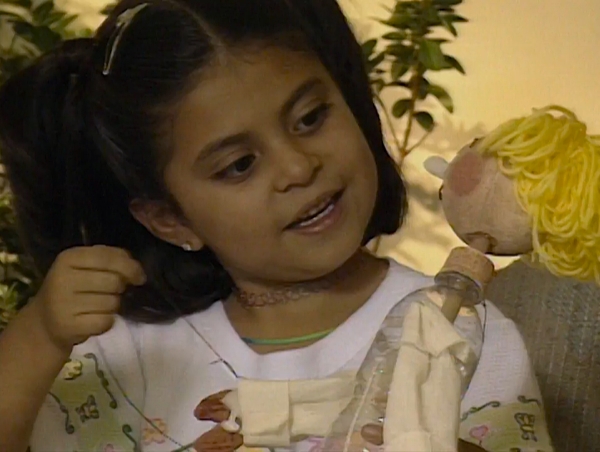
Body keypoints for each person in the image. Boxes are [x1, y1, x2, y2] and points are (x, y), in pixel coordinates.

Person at [0, 0, 553, 451]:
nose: (298, 168)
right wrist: (38, 337)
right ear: (171, 219)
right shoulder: (129, 353)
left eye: (310, 118)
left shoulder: (462, 337)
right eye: (240, 164)